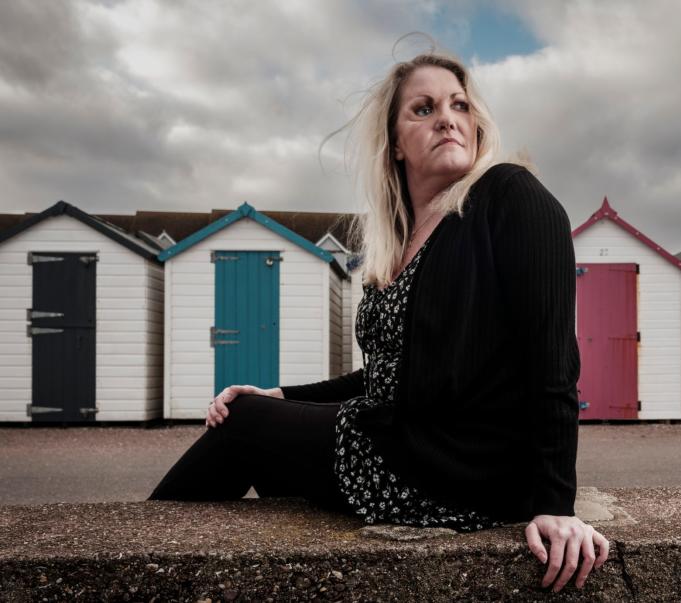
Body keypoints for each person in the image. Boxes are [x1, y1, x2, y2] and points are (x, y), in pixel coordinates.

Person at [149, 50, 609, 593]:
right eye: (423, 108)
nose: (447, 117)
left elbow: (554, 361)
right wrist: (279, 392)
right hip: (403, 445)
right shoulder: (398, 244)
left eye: (460, 104)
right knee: (258, 430)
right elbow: (387, 377)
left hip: (457, 468)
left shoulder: (507, 195)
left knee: (243, 426)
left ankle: (134, 557)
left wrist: (556, 503)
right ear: (394, 143)